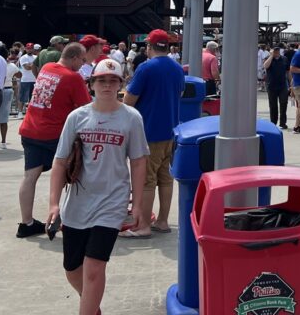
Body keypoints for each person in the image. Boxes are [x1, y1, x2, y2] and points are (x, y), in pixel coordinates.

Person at [47, 58, 149, 315]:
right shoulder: (77, 117)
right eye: (101, 80)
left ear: (120, 85)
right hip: (78, 203)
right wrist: (53, 203)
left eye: (113, 81)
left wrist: (137, 204)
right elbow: (59, 163)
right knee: (72, 269)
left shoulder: (131, 118)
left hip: (112, 202)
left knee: (94, 267)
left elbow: (138, 163)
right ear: (91, 84)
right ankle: (92, 307)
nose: (107, 85)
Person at [16, 42, 92, 238]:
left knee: (30, 177)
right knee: (72, 175)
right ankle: (67, 218)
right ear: (74, 57)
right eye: (82, 60)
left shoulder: (47, 68)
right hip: (54, 133)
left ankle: (26, 223)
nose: (83, 64)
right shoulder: (73, 77)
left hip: (30, 129)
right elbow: (87, 107)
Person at [122, 28, 185, 237]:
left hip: (148, 132)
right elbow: (181, 92)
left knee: (146, 181)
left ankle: (142, 226)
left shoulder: (145, 68)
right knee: (166, 179)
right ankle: (163, 221)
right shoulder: (177, 68)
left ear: (149, 46)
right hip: (171, 131)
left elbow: (128, 100)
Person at [263, 45, 289, 129]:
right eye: (274, 51)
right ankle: (273, 122)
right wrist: (271, 56)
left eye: (277, 50)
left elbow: (288, 72)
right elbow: (265, 66)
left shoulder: (284, 59)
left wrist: (291, 83)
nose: (276, 52)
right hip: (271, 85)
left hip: (282, 85)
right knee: (273, 105)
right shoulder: (268, 58)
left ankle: (283, 122)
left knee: (283, 104)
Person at [19, 44, 37, 111]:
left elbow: (35, 67)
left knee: (32, 98)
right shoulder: (23, 57)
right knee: (22, 98)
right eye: (28, 48)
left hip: (34, 80)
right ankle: (20, 112)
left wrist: (30, 64)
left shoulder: (36, 57)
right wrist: (34, 65)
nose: (30, 50)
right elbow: (27, 68)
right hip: (25, 80)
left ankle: (30, 112)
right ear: (26, 49)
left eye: (31, 48)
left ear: (33, 49)